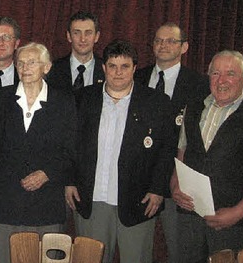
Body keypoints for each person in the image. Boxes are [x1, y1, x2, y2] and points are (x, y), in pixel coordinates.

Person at [65, 39, 176, 263]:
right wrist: (69, 181)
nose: (118, 72)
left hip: (139, 200)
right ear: (103, 67)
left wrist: (157, 189)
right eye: (112, 66)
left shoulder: (157, 103)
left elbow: (166, 151)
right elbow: (69, 144)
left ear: (134, 68)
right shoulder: (83, 98)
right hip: (92, 198)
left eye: (125, 66)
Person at [0, 42, 76, 263]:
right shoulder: (0, 100)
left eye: (32, 62)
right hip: (6, 201)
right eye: (21, 63)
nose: (25, 67)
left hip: (46, 203)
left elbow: (72, 148)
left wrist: (47, 173)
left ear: (47, 67)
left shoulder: (64, 102)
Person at [134, 22, 209, 262]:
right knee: (137, 250)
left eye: (170, 41)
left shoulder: (200, 84)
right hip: (140, 178)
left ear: (184, 47)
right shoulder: (137, 76)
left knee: (180, 252)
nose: (163, 45)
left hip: (179, 181)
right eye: (158, 40)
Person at [172, 50, 243, 263]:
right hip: (189, 217)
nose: (222, 81)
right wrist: (174, 185)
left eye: (230, 74)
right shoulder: (193, 108)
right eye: (215, 73)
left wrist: (238, 212)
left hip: (232, 222)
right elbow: (182, 152)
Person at [47, 11, 105, 91]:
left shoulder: (107, 70)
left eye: (88, 33)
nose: (83, 39)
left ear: (97, 36)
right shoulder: (52, 70)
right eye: (76, 33)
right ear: (69, 36)